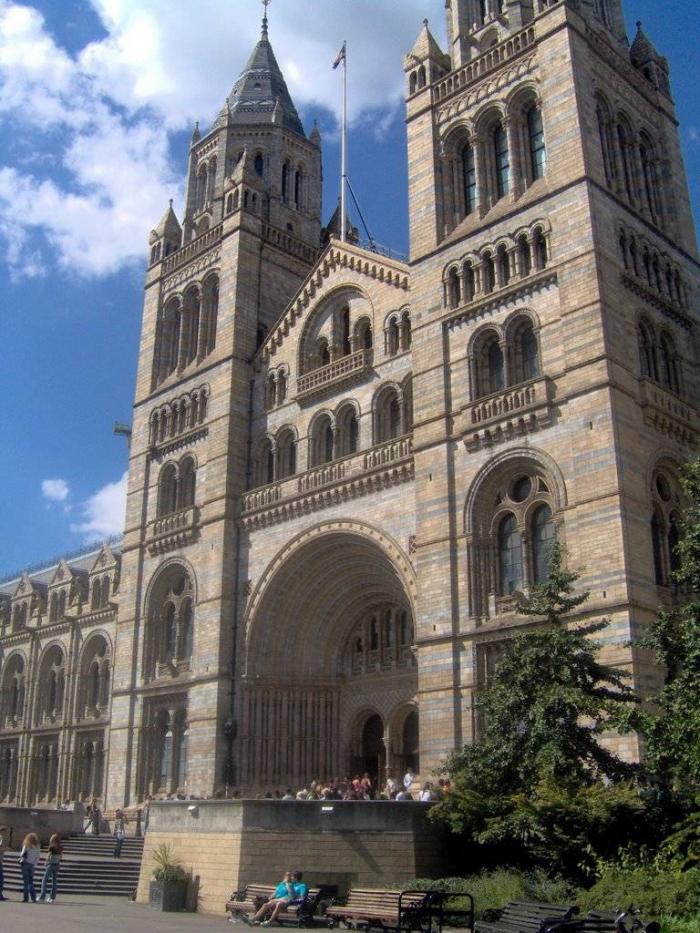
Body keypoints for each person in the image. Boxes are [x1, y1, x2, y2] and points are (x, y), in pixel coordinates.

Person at [38, 833, 62, 903]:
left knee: (44, 881)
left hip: (51, 864)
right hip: (57, 864)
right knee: (54, 881)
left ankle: (42, 897)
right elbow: (61, 856)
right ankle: (52, 898)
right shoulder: (60, 847)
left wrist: (46, 862)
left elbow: (48, 855)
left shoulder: (51, 847)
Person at [18, 832, 41, 903]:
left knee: (26, 882)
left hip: (25, 864)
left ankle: (26, 898)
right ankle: (34, 898)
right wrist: (34, 864)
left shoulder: (26, 844)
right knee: (30, 882)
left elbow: (22, 853)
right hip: (32, 865)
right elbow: (38, 856)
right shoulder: (37, 845)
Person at [0, 825, 8, 901]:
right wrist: (3, 849)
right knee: (1, 879)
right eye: (4, 831)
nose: (5, 833)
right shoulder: (1, 837)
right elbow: (0, 847)